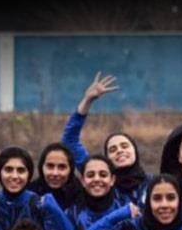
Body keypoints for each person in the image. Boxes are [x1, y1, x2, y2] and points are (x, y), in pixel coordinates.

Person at [60, 72, 151, 207]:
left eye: (124, 146)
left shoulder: (153, 184)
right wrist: (87, 101)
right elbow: (69, 141)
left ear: (135, 151)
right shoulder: (101, 181)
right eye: (112, 149)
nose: (119, 151)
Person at [28, 143, 83, 210]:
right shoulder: (29, 195)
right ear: (41, 168)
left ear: (70, 170)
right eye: (50, 166)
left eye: (62, 167)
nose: (55, 173)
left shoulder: (83, 195)